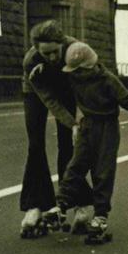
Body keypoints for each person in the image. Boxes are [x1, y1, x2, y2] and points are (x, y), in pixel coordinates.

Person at [37, 41, 128, 243]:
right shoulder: (73, 76)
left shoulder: (107, 79)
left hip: (107, 128)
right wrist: (43, 69)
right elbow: (56, 78)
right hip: (86, 126)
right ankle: (60, 206)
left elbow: (126, 97)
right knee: (75, 166)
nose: (73, 74)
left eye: (77, 70)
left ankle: (101, 215)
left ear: (88, 66)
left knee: (103, 171)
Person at [17, 20, 76, 238]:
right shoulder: (31, 60)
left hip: (66, 86)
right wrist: (72, 122)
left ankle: (73, 201)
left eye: (55, 52)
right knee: (35, 145)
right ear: (37, 50)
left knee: (67, 143)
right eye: (46, 53)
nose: (51, 57)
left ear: (62, 43)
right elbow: (49, 100)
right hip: (35, 90)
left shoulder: (74, 49)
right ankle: (36, 205)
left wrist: (78, 122)